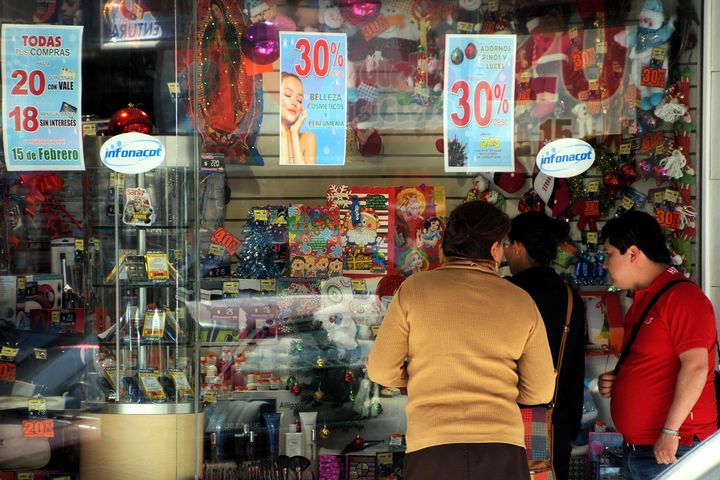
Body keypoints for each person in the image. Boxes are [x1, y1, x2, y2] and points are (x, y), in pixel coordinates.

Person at [367, 200, 556, 480]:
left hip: (432, 447)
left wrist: (421, 374)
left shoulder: (414, 290)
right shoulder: (520, 300)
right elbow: (540, 391)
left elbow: (381, 370)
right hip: (501, 448)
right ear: (494, 249)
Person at [597, 211, 717, 480]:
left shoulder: (682, 297)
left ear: (633, 253)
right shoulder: (642, 302)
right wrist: (620, 380)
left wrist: (670, 431)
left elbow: (696, 367)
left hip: (676, 449)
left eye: (608, 254)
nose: (604, 264)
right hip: (639, 451)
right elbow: (654, 363)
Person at [504, 212, 586, 480]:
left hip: (505, 421)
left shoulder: (504, 293)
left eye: (507, 245)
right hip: (553, 424)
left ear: (518, 247)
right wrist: (569, 427)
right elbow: (575, 370)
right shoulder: (570, 297)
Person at [279, 72, 317, 165]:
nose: (294, 103)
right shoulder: (267, 137)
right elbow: (279, 172)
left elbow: (305, 173)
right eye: (288, 95)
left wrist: (294, 133)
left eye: (299, 100)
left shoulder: (308, 138)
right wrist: (283, 132)